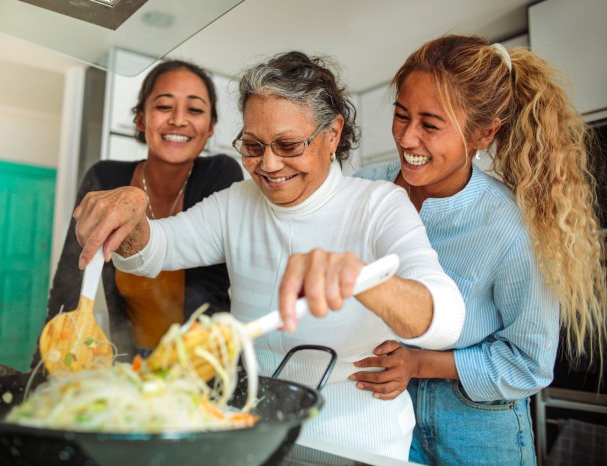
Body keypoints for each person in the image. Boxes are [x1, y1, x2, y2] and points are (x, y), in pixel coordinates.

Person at [71, 50, 466, 462]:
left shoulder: (379, 205)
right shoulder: (237, 203)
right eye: (254, 146)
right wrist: (133, 211)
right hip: (254, 429)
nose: (269, 165)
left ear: (332, 134)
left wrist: (363, 278)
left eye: (289, 144)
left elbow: (447, 320)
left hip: (355, 440)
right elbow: (152, 253)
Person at [353, 34, 607, 465]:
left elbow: (529, 364)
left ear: (483, 134)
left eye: (430, 125)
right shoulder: (365, 187)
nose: (408, 138)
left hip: (478, 425)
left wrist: (418, 363)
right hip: (383, 410)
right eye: (401, 115)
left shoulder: (509, 227)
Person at [37, 59, 244, 363]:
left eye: (195, 110)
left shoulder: (220, 172)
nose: (178, 119)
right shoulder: (105, 178)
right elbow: (72, 276)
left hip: (200, 360)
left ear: (210, 127)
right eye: (163, 106)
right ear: (140, 119)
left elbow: (214, 286)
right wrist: (44, 367)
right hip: (127, 358)